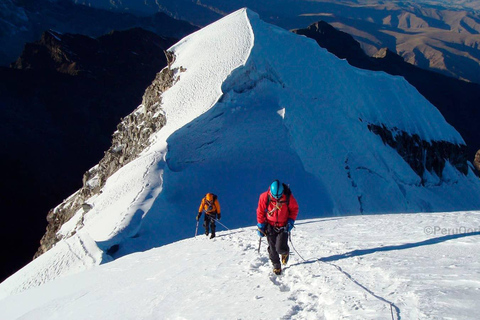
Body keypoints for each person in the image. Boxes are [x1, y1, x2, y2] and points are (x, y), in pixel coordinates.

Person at [256, 180, 299, 275]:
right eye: (274, 196)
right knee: (272, 248)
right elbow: (260, 211)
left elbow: (294, 209)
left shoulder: (288, 197)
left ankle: (285, 252)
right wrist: (261, 225)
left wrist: (291, 221)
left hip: (283, 226)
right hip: (270, 225)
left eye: (278, 196)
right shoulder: (264, 197)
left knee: (279, 247)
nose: (276, 198)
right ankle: (276, 265)